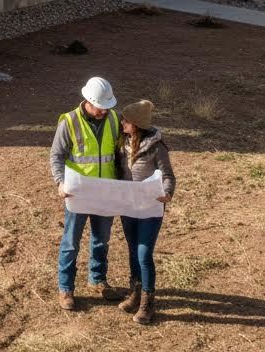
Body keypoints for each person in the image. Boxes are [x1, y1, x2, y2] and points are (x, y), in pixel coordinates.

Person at [49, 76, 122, 311]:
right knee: (71, 242)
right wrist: (60, 182)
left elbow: (120, 154)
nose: (104, 111)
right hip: (78, 193)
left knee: (101, 240)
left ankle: (98, 279)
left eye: (107, 107)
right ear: (88, 102)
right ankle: (66, 288)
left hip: (106, 191)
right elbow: (56, 156)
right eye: (101, 107)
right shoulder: (69, 122)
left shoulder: (114, 119)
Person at [116, 99, 176, 326]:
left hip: (150, 208)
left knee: (143, 253)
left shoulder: (157, 147)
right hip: (128, 206)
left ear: (137, 124)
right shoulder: (123, 142)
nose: (122, 123)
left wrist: (168, 193)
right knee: (132, 250)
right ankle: (136, 292)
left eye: (126, 121)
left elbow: (168, 175)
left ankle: (148, 302)